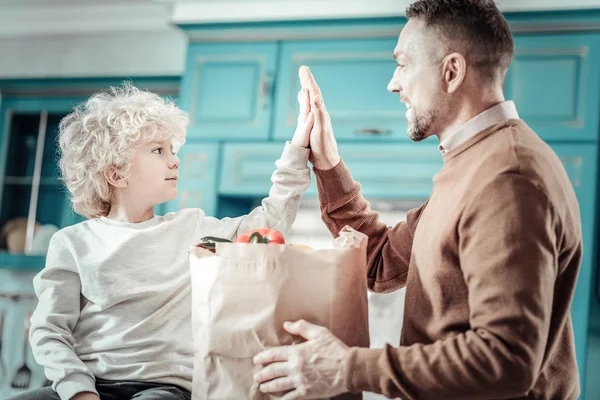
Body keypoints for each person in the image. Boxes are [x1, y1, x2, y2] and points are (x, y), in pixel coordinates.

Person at [253, 0, 582, 399]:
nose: (394, 83)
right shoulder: (474, 163)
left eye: (404, 64)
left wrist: (345, 367)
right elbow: (380, 261)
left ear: (452, 71)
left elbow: (505, 359)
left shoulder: (507, 177)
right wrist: (328, 163)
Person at [8, 80, 315, 400]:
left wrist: (298, 149)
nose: (174, 160)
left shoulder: (193, 228)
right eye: (158, 150)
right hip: (87, 385)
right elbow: (49, 331)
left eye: (172, 149)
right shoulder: (72, 243)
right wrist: (78, 391)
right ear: (116, 174)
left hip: (163, 390)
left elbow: (268, 224)